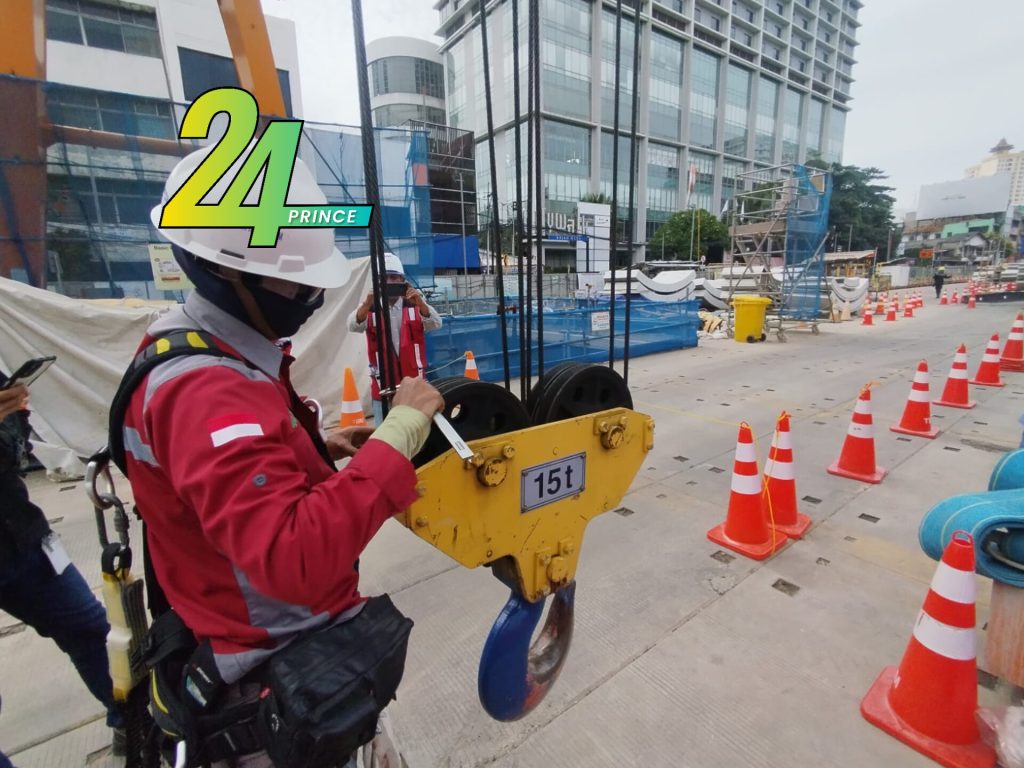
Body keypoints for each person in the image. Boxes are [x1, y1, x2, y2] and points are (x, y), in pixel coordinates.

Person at [120, 145, 444, 767]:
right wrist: (397, 435)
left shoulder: (192, 343)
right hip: (269, 679)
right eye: (293, 278)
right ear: (224, 271)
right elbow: (293, 557)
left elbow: (208, 481)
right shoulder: (207, 388)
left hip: (246, 639)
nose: (307, 293)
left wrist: (308, 449)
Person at [0, 380, 122, 768]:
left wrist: (12, 414)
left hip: (19, 538)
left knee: (91, 629)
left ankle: (131, 721)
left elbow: (13, 446)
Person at [348, 254, 442, 424]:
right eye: (384, 278)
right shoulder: (370, 308)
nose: (389, 282)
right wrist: (366, 304)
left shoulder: (414, 305)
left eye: (394, 277)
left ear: (402, 280)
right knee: (385, 435)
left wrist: (420, 303)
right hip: (383, 387)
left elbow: (436, 323)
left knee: (418, 433)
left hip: (414, 386)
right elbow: (353, 325)